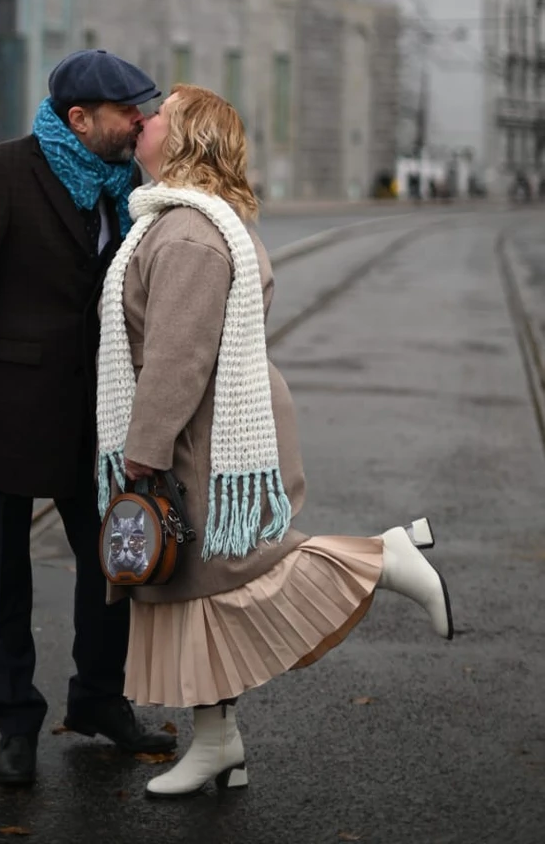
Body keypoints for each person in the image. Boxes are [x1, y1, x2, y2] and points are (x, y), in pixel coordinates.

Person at [97, 85, 454, 798]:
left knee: (236, 583)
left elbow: (178, 356)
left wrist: (145, 447)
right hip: (201, 430)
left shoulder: (190, 235)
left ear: (187, 135)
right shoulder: (176, 221)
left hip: (198, 437)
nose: (145, 120)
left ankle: (386, 558)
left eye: (160, 112)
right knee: (197, 593)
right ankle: (218, 743)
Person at [0, 50, 177, 788]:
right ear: (79, 119)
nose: (142, 123)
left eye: (145, 110)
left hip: (98, 417)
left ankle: (99, 700)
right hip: (2, 410)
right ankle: (15, 722)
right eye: (130, 113)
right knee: (0, 576)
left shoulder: (133, 186)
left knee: (115, 565)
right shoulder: (4, 171)